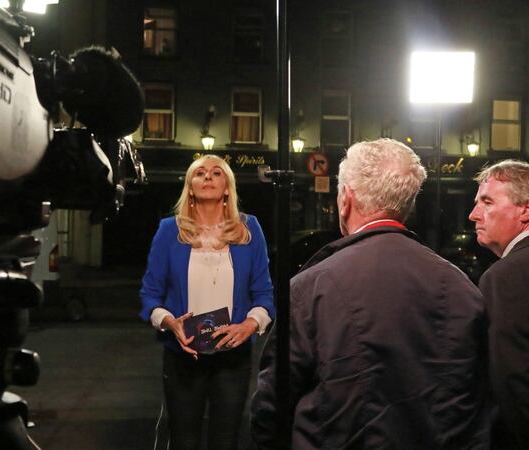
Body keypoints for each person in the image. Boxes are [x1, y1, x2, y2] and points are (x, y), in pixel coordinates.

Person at [251, 138, 490, 449]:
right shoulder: (461, 287)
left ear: (346, 199)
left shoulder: (312, 286)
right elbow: (476, 406)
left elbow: (272, 406)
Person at [140, 154, 275, 450]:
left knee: (225, 441)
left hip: (233, 357)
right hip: (183, 355)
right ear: (190, 186)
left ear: (227, 187)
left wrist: (250, 325)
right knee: (184, 441)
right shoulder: (168, 231)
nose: (208, 177)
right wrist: (167, 321)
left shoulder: (249, 229)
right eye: (200, 173)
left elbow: (264, 295)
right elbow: (150, 294)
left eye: (216, 173)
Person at [469, 160, 529, 449]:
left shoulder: (506, 277)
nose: (473, 215)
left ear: (525, 209)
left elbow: (512, 383)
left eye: (487, 202)